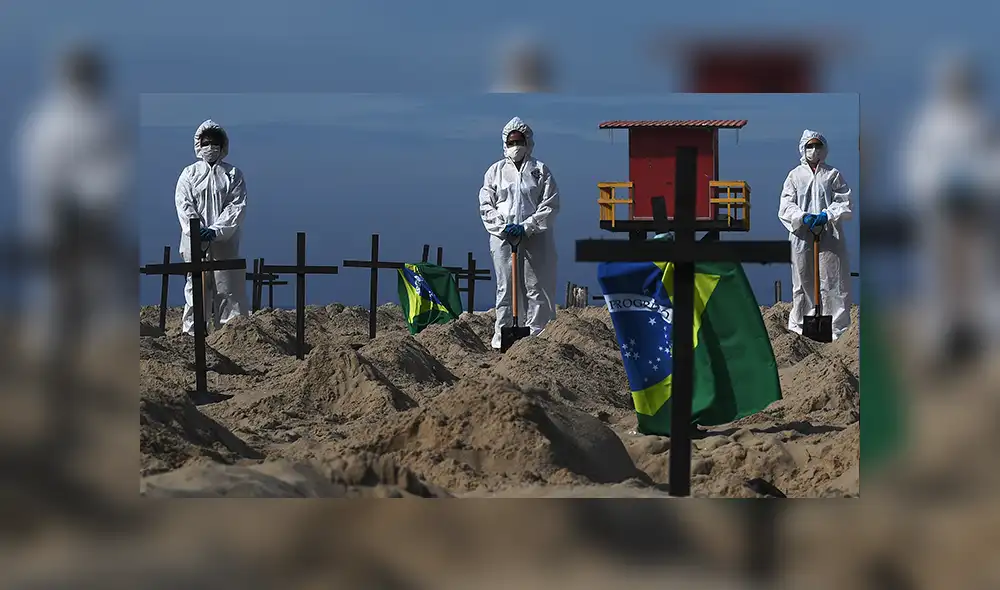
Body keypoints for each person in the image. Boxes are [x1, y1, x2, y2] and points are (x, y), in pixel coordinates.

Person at [478, 116, 560, 349]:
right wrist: (503, 228)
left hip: (535, 236)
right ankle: (502, 338)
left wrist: (527, 227)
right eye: (512, 142)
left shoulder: (540, 170)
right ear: (505, 143)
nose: (516, 146)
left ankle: (538, 337)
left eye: (520, 141)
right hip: (503, 238)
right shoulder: (495, 171)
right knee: (506, 286)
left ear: (528, 142)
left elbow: (550, 204)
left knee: (536, 285)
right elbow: (486, 205)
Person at [174, 119, 248, 335]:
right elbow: (184, 204)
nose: (210, 147)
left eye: (214, 142)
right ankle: (193, 333)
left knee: (228, 290)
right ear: (199, 145)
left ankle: (231, 336)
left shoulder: (233, 175)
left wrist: (216, 231)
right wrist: (196, 230)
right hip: (194, 243)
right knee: (196, 289)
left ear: (223, 145)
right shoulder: (189, 174)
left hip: (224, 244)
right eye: (206, 143)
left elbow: (236, 207)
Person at [778, 130, 853, 340]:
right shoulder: (794, 175)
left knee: (833, 278)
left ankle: (837, 328)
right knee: (802, 280)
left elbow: (844, 202)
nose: (814, 150)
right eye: (810, 146)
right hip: (802, 235)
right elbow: (786, 205)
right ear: (803, 148)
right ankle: (800, 327)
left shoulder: (833, 174)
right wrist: (802, 217)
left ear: (824, 148)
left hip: (829, 234)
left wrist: (826, 215)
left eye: (817, 145)